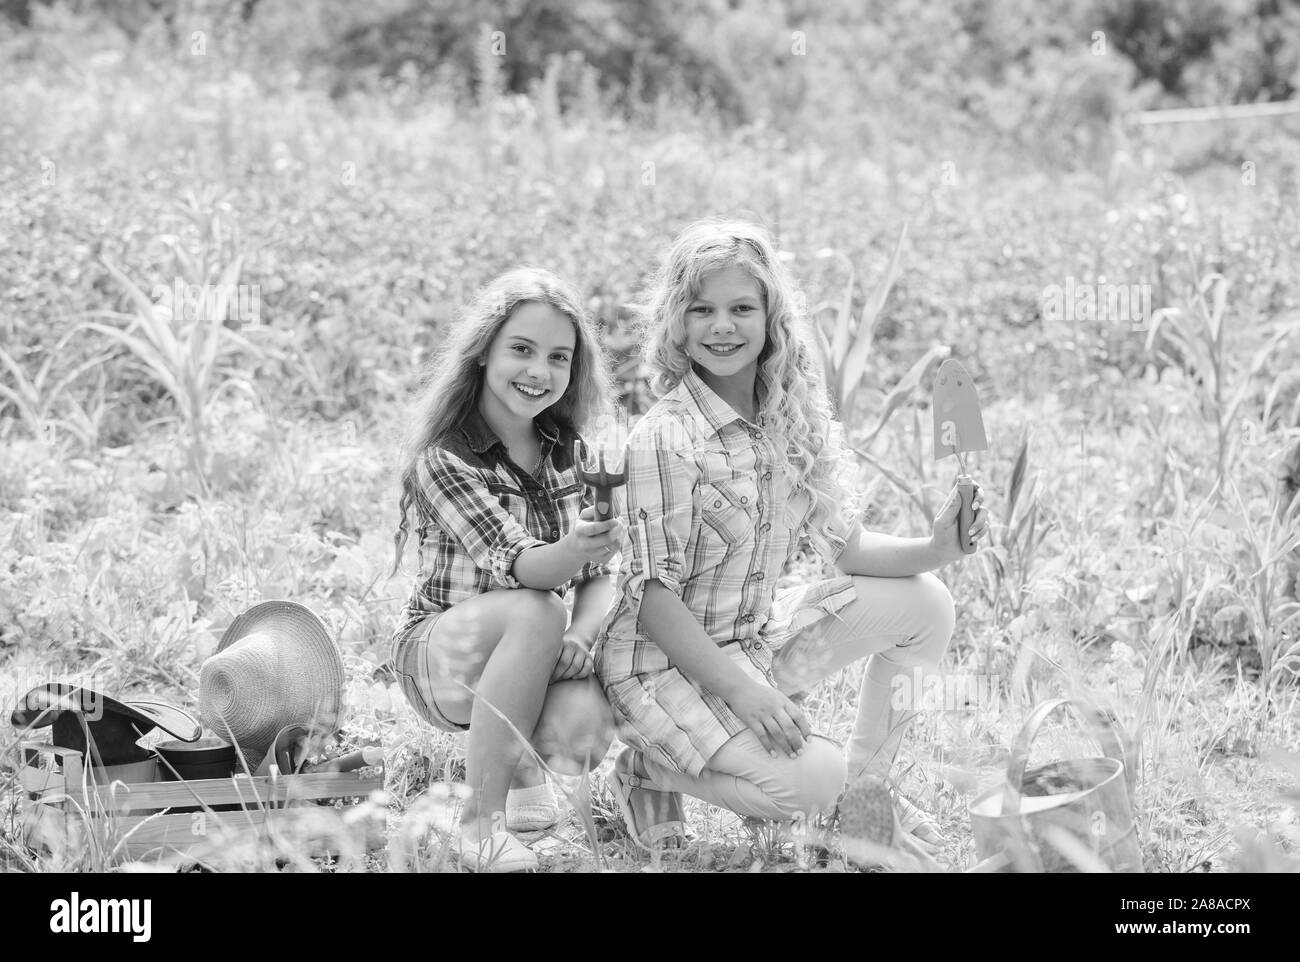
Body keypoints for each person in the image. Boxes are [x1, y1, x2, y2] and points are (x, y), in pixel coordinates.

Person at [593, 219, 987, 854]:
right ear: (676, 324)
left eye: (741, 308)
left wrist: (937, 549)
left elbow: (847, 547)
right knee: (808, 781)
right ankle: (646, 767)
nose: (722, 326)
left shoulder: (786, 417)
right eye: (702, 310)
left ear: (772, 317)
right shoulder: (666, 439)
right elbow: (651, 598)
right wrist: (748, 695)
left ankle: (863, 800)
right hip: (660, 665)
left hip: (754, 639)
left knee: (926, 602)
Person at [390, 267, 623, 872]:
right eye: (520, 349)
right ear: (483, 354)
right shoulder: (445, 460)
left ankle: (526, 785)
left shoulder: (571, 454)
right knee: (536, 606)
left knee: (582, 729)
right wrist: (576, 550)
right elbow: (522, 566)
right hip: (442, 660)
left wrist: (582, 633)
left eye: (558, 357)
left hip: (532, 646)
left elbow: (601, 576)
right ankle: (477, 826)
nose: (538, 371)